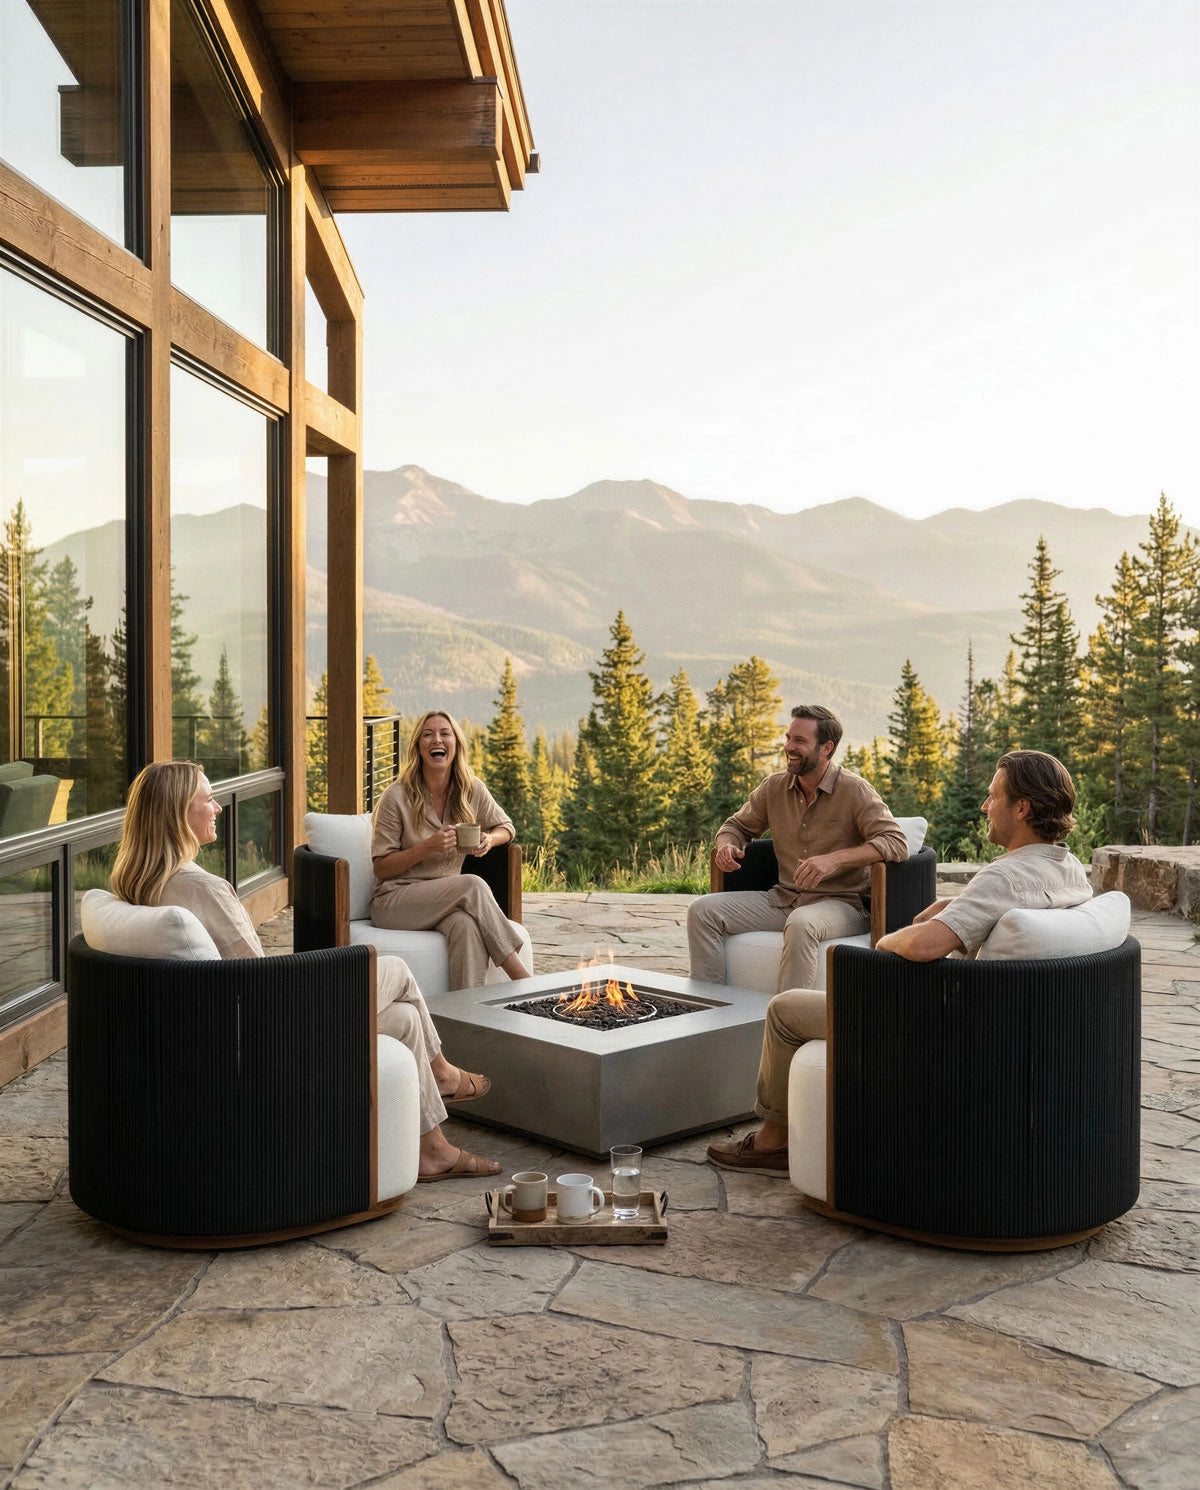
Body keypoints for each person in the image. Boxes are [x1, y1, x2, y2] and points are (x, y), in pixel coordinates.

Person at [110, 760, 501, 1181]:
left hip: (232, 1027)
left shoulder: (140, 882)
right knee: (396, 970)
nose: (218, 807)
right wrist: (322, 974)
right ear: (177, 812)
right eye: (207, 799)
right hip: (274, 1027)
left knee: (404, 1019)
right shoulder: (205, 888)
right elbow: (259, 980)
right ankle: (443, 1073)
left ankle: (433, 1152)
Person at [707, 749, 1092, 1174]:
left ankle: (772, 1141)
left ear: (1022, 808)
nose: (985, 806)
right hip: (997, 1017)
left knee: (784, 1010)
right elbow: (1002, 907)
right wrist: (953, 906)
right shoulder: (1069, 868)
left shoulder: (1003, 877)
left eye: (994, 796)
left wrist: (885, 943)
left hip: (933, 1018)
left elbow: (925, 946)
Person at [687, 704, 909, 995]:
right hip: (785, 899)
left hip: (843, 904)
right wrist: (727, 846)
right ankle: (711, 1009)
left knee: (802, 923)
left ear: (826, 748)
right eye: (788, 738)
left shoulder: (855, 790)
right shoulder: (774, 787)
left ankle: (786, 1019)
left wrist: (834, 860)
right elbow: (735, 826)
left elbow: (896, 842)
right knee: (701, 911)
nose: (789, 747)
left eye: (800, 741)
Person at [369, 709, 532, 989]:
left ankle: (468, 1012)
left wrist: (490, 840)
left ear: (456, 744)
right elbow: (381, 868)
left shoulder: (471, 789)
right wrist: (427, 846)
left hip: (445, 901)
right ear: (418, 747)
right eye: (428, 735)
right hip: (394, 900)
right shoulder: (396, 796)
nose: (437, 740)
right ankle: (525, 981)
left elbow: (506, 827)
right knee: (472, 885)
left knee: (466, 926)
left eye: (445, 733)